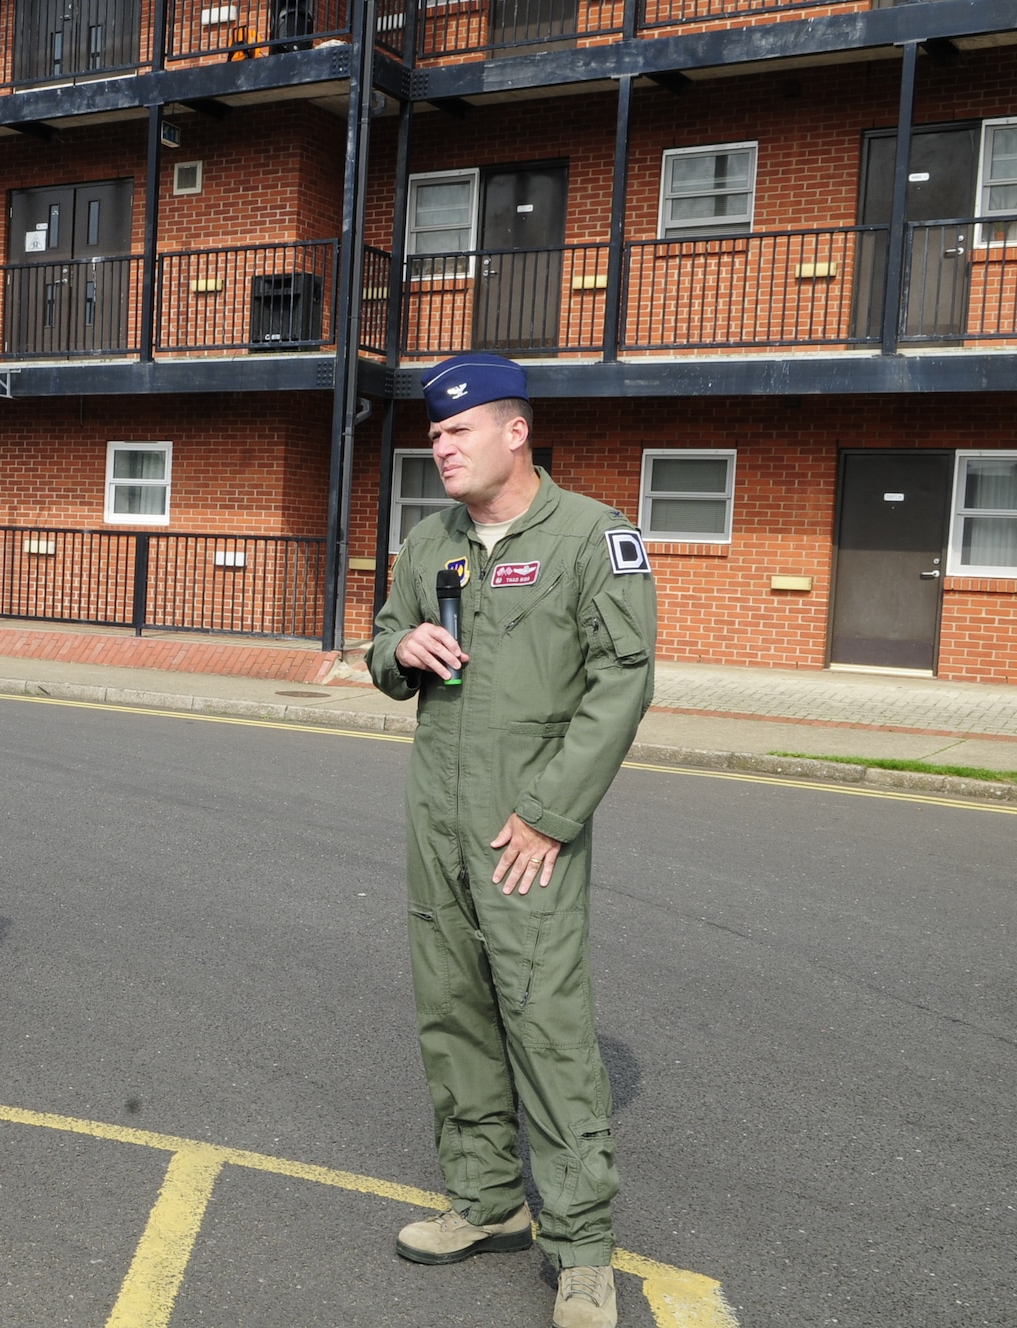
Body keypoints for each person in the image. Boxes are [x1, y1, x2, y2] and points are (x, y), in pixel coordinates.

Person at [365, 354, 657, 1328]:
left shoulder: (590, 537)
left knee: (543, 1020)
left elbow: (621, 682)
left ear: (513, 430)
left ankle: (579, 1246)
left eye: (456, 431)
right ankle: (484, 1198)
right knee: (449, 1007)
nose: (437, 447)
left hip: (523, 823)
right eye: (432, 433)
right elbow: (381, 635)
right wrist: (396, 651)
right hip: (433, 817)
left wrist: (549, 814)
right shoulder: (428, 540)